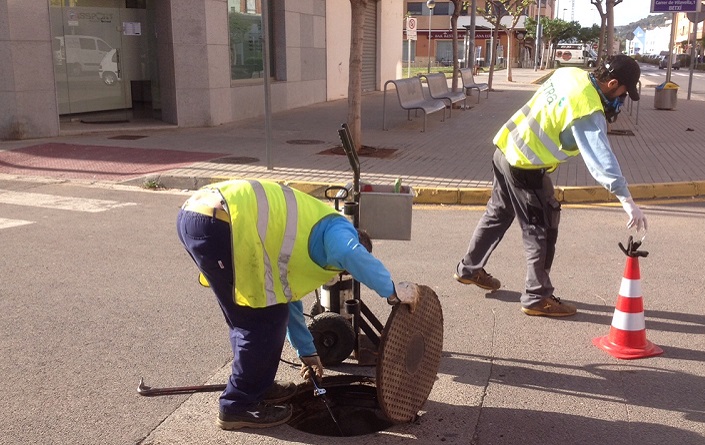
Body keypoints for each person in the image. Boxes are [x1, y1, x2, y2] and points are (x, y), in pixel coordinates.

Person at [176, 179, 417, 430]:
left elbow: (285, 299)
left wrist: (308, 353)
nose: (342, 271)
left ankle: (256, 385)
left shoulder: (305, 238)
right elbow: (350, 253)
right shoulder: (339, 229)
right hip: (219, 223)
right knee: (259, 321)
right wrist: (391, 290)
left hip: (204, 216)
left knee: (264, 313)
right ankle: (238, 405)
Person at [453, 54, 648, 318]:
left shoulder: (571, 74)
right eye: (624, 92)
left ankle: (469, 268)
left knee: (497, 214)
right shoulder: (588, 108)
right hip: (526, 166)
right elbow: (601, 159)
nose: (622, 99)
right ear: (613, 83)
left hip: (506, 148)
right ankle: (537, 297)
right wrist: (628, 202)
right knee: (541, 229)